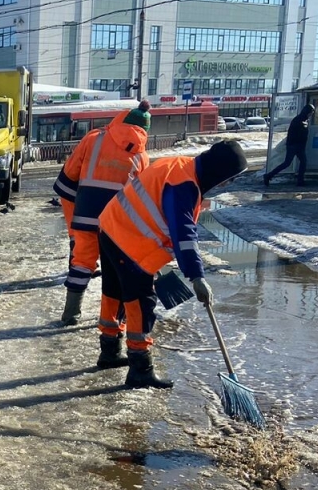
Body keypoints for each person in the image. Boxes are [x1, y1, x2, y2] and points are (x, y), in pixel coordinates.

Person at [98, 140, 249, 389]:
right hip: (129, 240)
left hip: (111, 226)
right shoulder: (184, 185)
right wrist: (197, 277)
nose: (226, 184)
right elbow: (184, 235)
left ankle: (109, 351)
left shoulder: (179, 166)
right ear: (218, 171)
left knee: (113, 292)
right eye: (228, 179)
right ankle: (140, 369)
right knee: (139, 302)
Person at [52, 110, 151, 372]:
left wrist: (73, 225)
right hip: (118, 224)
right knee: (115, 276)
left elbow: (67, 180)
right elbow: (142, 199)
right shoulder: (142, 155)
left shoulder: (94, 139)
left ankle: (71, 314)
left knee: (82, 262)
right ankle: (111, 331)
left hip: (86, 213)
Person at [263, 103, 314, 187]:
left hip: (298, 145)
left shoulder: (304, 120)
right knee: (288, 163)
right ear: (307, 111)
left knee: (301, 162)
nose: (311, 114)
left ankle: (300, 181)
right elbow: (293, 134)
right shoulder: (298, 120)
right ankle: (268, 176)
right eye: (311, 112)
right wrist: (294, 143)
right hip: (294, 145)